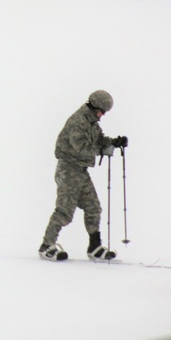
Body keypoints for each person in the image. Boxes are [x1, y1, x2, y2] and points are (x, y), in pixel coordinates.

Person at [39, 90, 128, 262]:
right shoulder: (78, 122)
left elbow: (99, 139)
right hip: (68, 170)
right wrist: (102, 150)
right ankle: (46, 246)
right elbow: (81, 147)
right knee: (64, 211)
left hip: (81, 171)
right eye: (102, 111)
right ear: (94, 106)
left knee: (93, 207)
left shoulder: (91, 122)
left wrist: (113, 143)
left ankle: (94, 247)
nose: (102, 115)